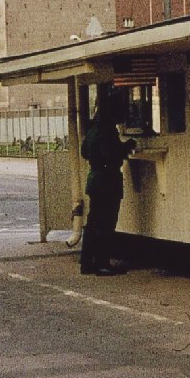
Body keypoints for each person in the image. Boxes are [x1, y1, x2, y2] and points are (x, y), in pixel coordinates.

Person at [79, 99, 136, 276]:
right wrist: (128, 145)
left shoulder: (92, 129)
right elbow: (110, 152)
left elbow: (84, 151)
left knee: (93, 222)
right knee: (106, 222)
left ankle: (87, 262)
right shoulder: (107, 130)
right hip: (108, 179)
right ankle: (103, 263)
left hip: (95, 178)